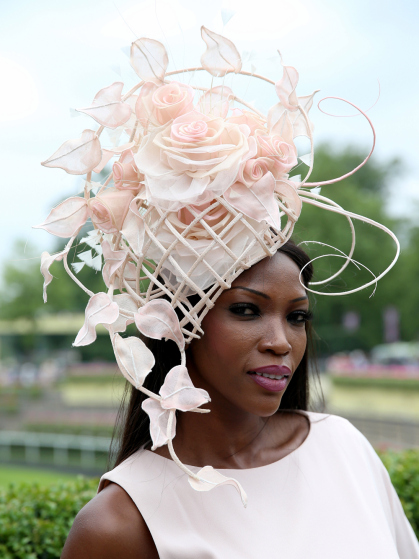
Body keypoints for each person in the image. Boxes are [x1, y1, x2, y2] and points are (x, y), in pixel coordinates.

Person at [35, 24, 417, 558]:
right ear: (177, 322)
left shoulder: (344, 448)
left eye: (298, 317)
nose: (281, 341)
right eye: (246, 310)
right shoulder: (120, 523)